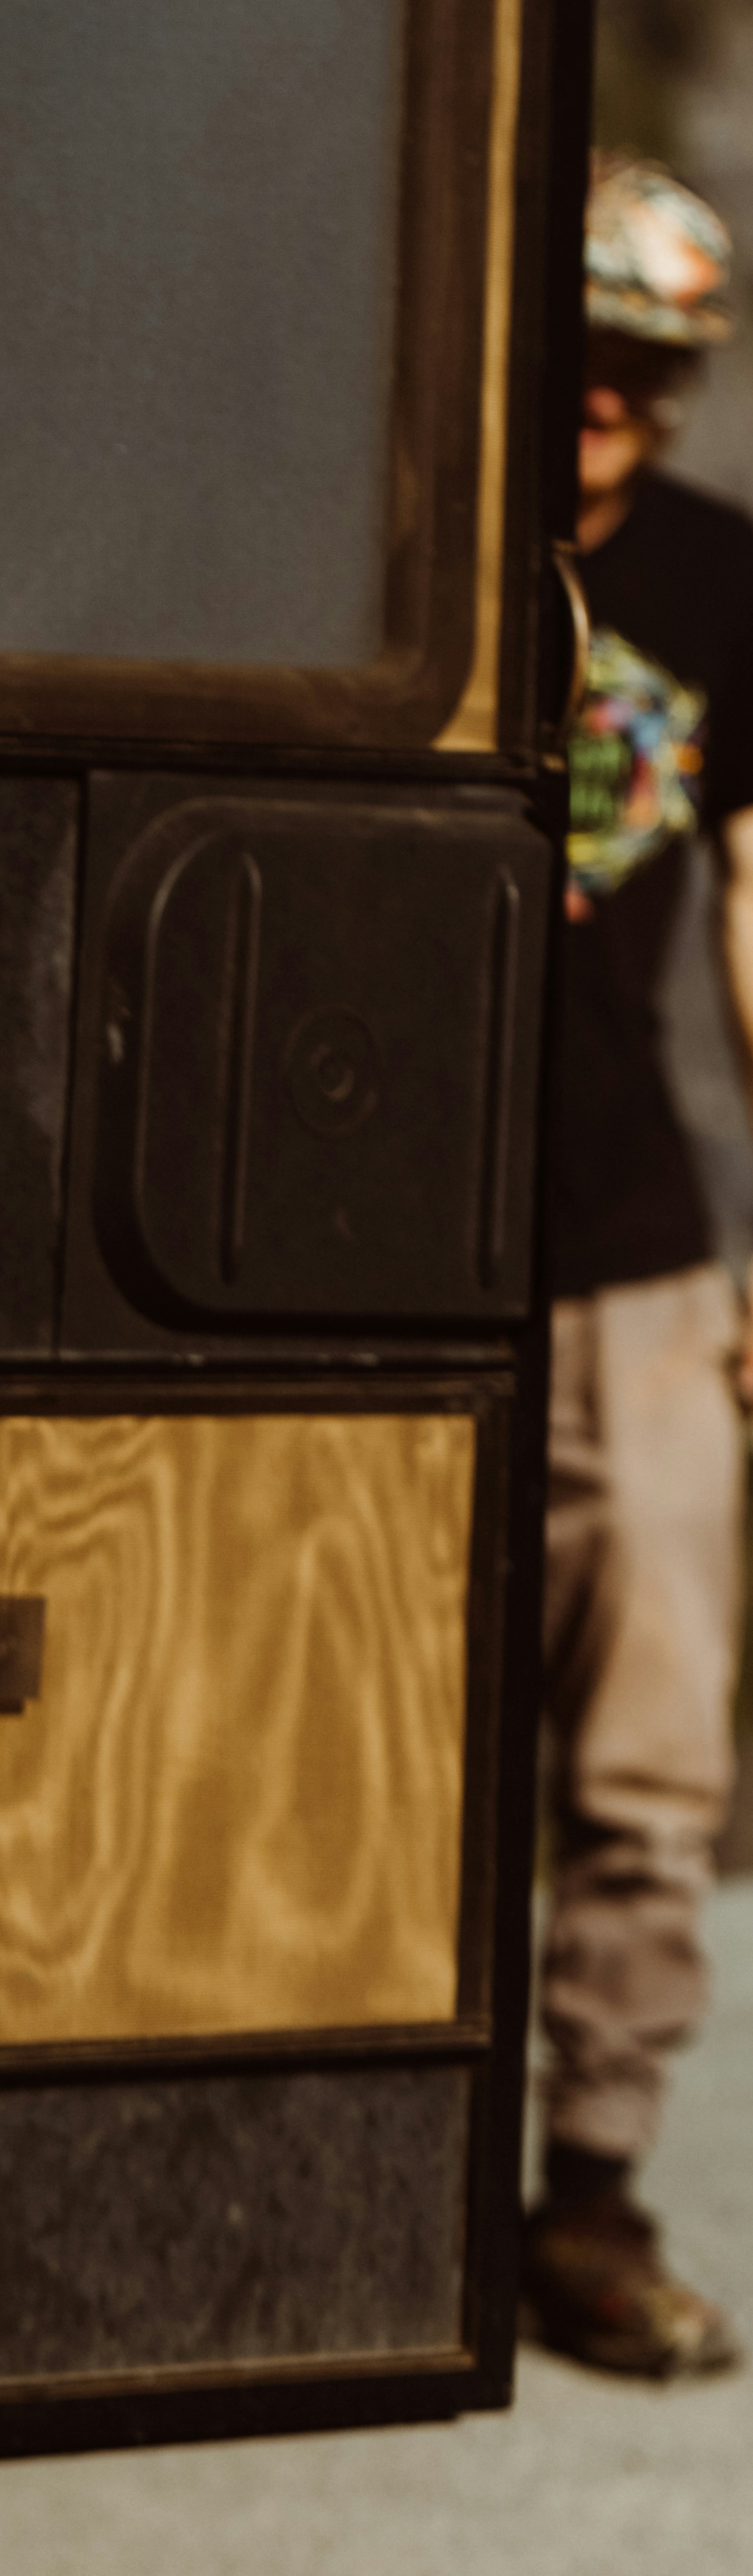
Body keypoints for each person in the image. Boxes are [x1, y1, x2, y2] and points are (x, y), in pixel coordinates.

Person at [527, 152, 753, 2379]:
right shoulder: (413, 551)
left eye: (649, 370)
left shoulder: (719, 581)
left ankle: (584, 2192)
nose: (607, 401)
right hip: (385, 1244)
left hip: (639, 1258)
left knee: (647, 1747)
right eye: (581, 355)